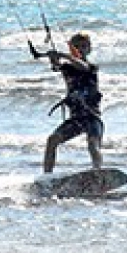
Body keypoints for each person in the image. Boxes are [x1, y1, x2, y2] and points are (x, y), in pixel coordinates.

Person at [34, 31, 103, 173]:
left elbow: (81, 66)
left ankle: (98, 172)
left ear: (89, 49)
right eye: (77, 46)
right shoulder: (68, 68)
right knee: (52, 140)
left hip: (92, 117)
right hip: (76, 119)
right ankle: (47, 177)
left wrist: (65, 55)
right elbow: (56, 66)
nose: (80, 49)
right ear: (72, 48)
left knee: (92, 144)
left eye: (84, 46)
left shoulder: (91, 67)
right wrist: (53, 57)